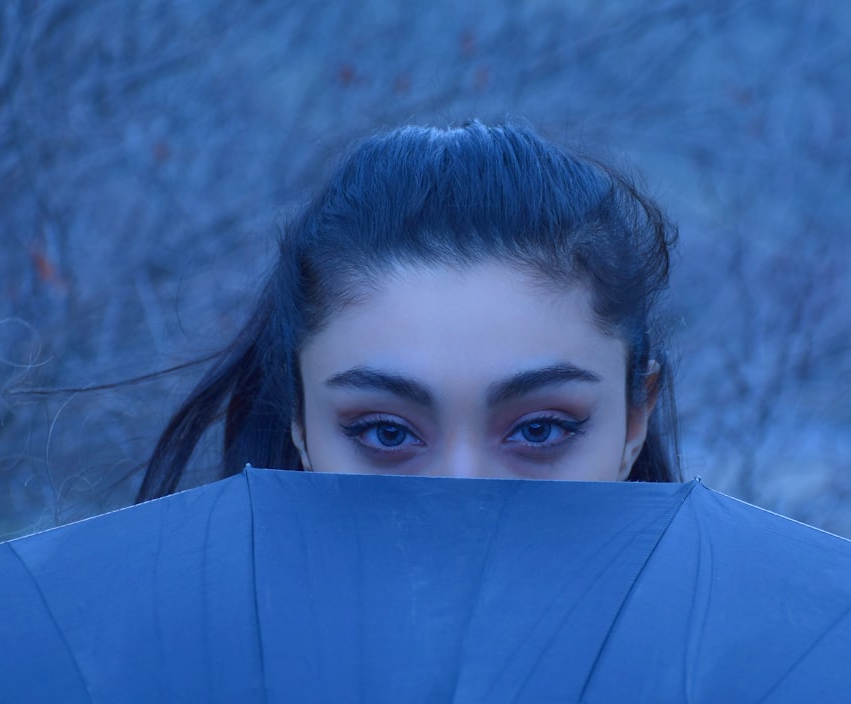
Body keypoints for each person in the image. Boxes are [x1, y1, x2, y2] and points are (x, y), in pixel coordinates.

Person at [137, 120, 680, 501]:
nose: (460, 494)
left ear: (634, 424)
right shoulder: (191, 658)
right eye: (387, 433)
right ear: (300, 425)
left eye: (540, 431)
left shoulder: (725, 656)